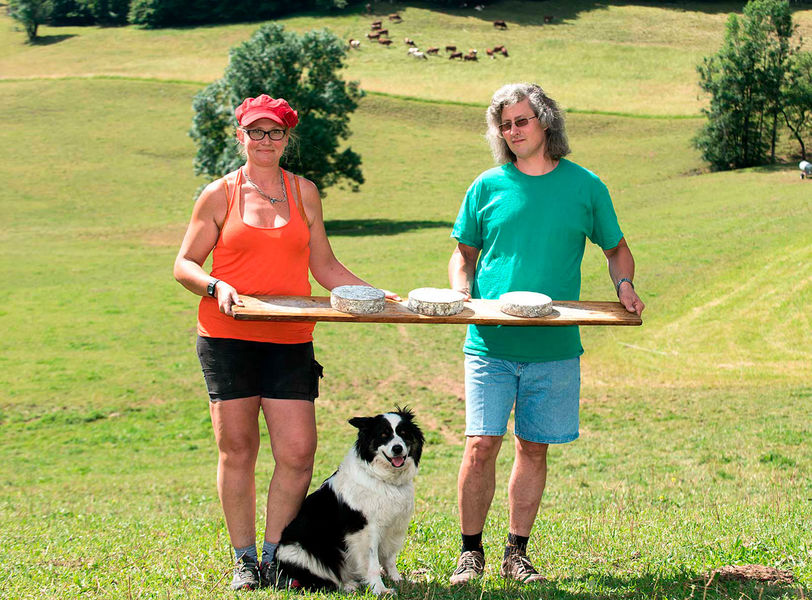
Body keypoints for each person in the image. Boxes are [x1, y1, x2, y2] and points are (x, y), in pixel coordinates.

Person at [174, 94, 395, 591]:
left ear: (286, 139)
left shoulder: (304, 192)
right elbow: (184, 264)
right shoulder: (218, 194)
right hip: (228, 336)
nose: (265, 140)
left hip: (291, 339)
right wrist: (216, 285)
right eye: (256, 131)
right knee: (238, 450)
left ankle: (275, 555)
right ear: (240, 137)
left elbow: (325, 268)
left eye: (274, 132)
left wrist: (372, 294)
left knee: (296, 453)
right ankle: (244, 559)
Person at [447, 82, 644, 585]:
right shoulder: (487, 186)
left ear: (545, 122)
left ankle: (517, 553)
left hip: (556, 346)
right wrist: (462, 288)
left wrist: (623, 285)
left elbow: (616, 248)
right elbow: (462, 254)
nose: (513, 132)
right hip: (489, 341)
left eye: (521, 121)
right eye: (504, 125)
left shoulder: (586, 186)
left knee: (533, 447)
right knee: (479, 446)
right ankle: (471, 553)